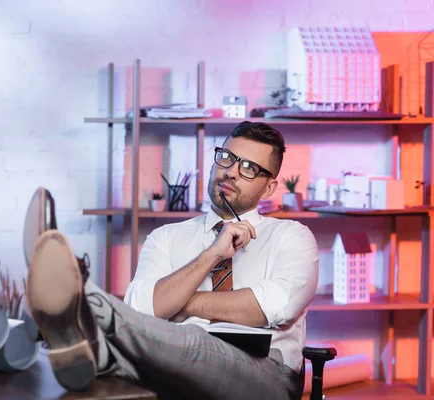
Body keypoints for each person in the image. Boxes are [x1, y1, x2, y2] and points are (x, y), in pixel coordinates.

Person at [26, 121, 319, 400]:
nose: (230, 171)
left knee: (195, 339)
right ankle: (95, 352)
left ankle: (84, 298)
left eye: (249, 168)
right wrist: (212, 254)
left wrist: (178, 303)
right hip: (175, 364)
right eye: (227, 157)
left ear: (269, 188)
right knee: (123, 364)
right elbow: (140, 309)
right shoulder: (166, 237)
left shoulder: (292, 236)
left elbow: (272, 307)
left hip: (267, 374)